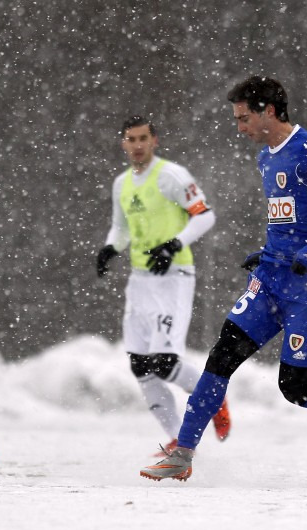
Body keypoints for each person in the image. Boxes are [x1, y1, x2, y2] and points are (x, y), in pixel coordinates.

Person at [140, 76, 307, 482]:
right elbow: (289, 216)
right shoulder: (265, 158)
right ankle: (182, 453)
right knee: (222, 355)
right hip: (271, 277)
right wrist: (270, 251)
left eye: (243, 118)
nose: (240, 128)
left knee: (296, 387)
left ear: (269, 111)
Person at [97, 115, 231, 455]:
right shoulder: (121, 184)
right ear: (123, 143)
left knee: (165, 363)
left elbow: (205, 215)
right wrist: (111, 248)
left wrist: (173, 245)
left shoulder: (171, 175)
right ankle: (175, 438)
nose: (137, 145)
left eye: (143, 138)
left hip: (173, 279)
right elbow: (121, 227)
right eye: (131, 139)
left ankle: (213, 395)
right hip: (140, 282)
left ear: (154, 141)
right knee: (140, 365)